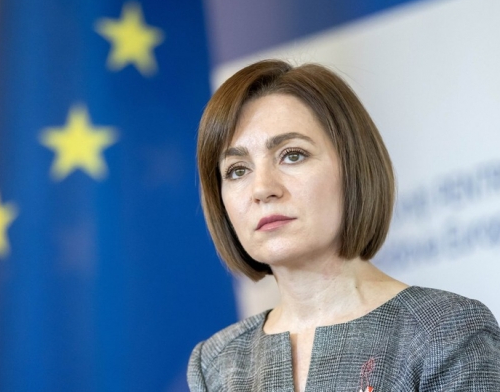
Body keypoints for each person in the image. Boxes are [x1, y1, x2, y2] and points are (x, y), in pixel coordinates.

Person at [187, 59, 500, 391]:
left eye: (292, 155)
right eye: (237, 170)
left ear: (353, 168)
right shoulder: (216, 364)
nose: (262, 188)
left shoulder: (446, 333)